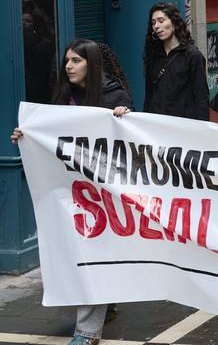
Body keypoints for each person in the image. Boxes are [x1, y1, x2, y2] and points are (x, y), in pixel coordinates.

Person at [11, 39, 131, 345]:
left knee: (93, 253)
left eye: (76, 61)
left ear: (91, 63)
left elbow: (130, 142)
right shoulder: (64, 97)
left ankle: (88, 332)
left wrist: (125, 118)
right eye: (67, 61)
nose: (68, 66)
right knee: (85, 253)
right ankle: (106, 303)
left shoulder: (113, 95)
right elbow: (52, 136)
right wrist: (27, 137)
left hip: (103, 192)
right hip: (71, 190)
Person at [143, 2, 209, 120]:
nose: (156, 26)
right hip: (157, 124)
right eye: (153, 23)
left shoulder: (193, 56)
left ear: (174, 22)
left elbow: (201, 97)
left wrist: (203, 127)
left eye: (161, 21)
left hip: (183, 125)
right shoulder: (153, 56)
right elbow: (149, 96)